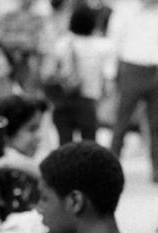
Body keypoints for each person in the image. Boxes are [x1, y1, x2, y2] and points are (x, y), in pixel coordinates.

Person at [108, 0, 158, 183]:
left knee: (155, 124)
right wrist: (111, 72)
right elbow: (114, 41)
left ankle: (156, 169)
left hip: (154, 71)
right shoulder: (124, 10)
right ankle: (111, 167)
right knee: (121, 123)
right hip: (131, 70)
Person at [44, 3, 114, 144]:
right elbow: (108, 78)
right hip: (88, 101)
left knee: (64, 146)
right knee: (89, 145)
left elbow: (48, 72)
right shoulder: (102, 47)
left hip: (63, 100)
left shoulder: (63, 43)